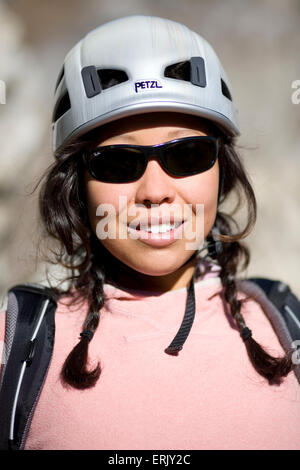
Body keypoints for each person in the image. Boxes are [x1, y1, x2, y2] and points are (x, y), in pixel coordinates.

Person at [0, 14, 299, 451]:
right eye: (118, 162)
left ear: (223, 171)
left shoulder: (284, 324)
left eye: (188, 154)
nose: (155, 192)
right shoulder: (16, 346)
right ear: (76, 188)